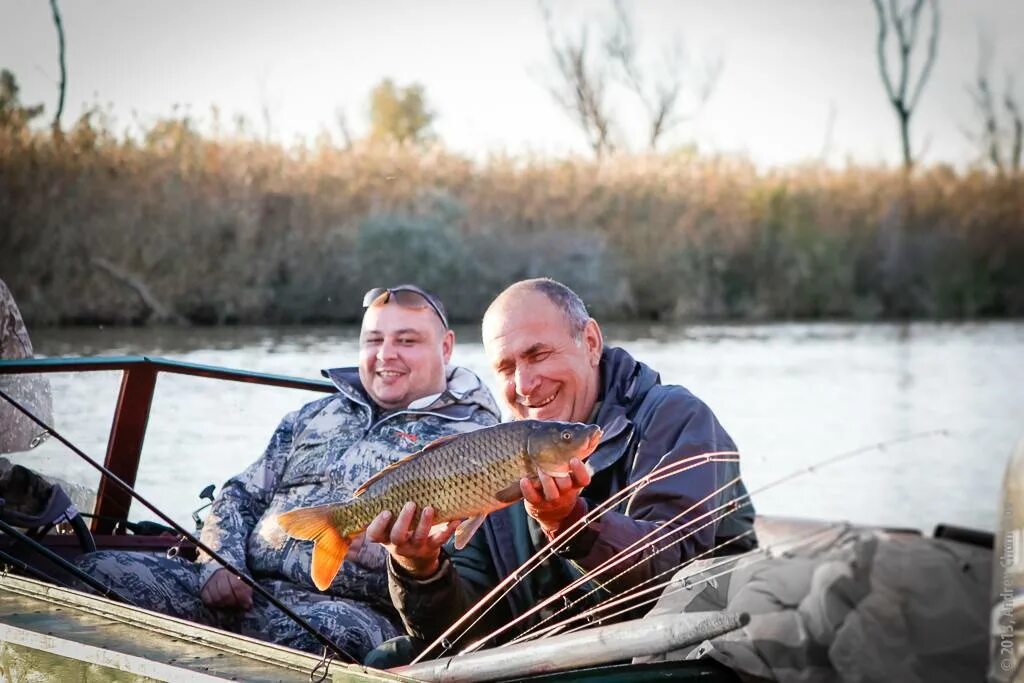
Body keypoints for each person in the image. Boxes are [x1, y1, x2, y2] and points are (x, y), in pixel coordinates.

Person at [75, 285, 500, 660]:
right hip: (245, 588)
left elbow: (468, 564)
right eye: (374, 340)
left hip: (347, 611)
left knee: (329, 640)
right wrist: (220, 566)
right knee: (98, 573)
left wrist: (388, 553)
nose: (386, 354)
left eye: (407, 341)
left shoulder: (478, 439)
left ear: (445, 347)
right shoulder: (314, 415)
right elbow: (239, 495)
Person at [365, 277, 756, 662]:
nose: (525, 383)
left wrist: (571, 525)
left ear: (590, 342)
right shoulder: (494, 455)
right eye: (505, 367)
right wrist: (420, 569)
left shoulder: (675, 419)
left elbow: (674, 573)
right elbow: (464, 634)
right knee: (389, 660)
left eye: (538, 354)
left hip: (677, 655)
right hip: (551, 659)